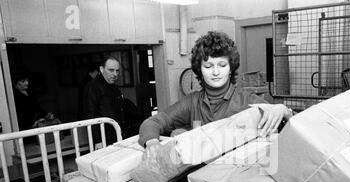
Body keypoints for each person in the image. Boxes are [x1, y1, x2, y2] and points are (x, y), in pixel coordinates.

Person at [138, 30, 293, 147]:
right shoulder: (192, 103)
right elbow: (153, 122)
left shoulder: (247, 100)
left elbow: (295, 128)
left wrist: (283, 110)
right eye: (208, 66)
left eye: (222, 65)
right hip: (199, 177)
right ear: (199, 70)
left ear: (231, 68)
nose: (216, 72)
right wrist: (152, 144)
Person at [83, 55, 126, 145]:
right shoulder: (93, 86)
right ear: (102, 69)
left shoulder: (113, 86)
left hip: (117, 135)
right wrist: (97, 140)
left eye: (117, 71)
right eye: (111, 70)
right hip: (104, 138)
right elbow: (90, 114)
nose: (115, 74)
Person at [12, 66, 51, 131]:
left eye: (27, 80)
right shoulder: (14, 96)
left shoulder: (30, 92)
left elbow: (37, 107)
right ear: (15, 83)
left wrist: (46, 115)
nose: (27, 83)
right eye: (23, 81)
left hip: (37, 124)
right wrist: (32, 123)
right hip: (25, 128)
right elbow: (19, 115)